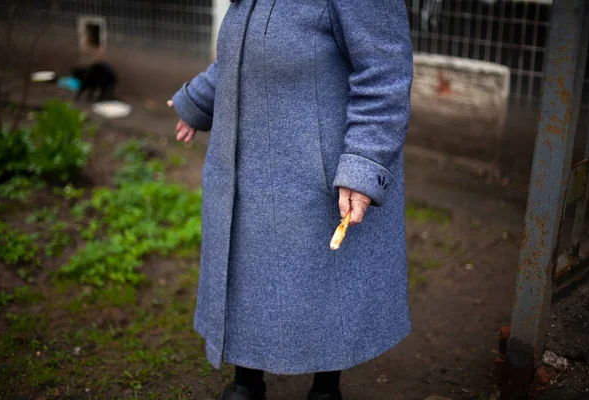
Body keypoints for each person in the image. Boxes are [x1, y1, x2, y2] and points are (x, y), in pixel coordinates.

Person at [169, 0, 413, 399]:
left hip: (320, 173)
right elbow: (250, 49)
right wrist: (199, 99)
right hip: (247, 167)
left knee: (328, 280)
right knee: (248, 269)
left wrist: (364, 163)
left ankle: (325, 388)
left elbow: (385, 73)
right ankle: (246, 382)